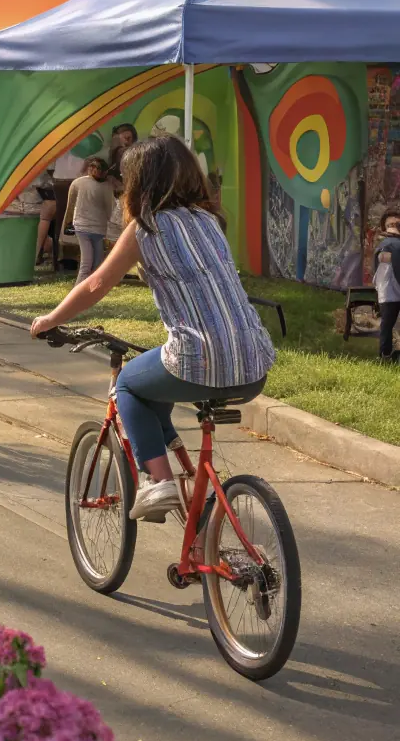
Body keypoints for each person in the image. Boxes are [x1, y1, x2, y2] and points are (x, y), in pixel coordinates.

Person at [30, 135, 275, 522]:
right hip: (255, 362)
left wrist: (49, 320)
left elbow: (94, 285)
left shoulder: (145, 227)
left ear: (139, 181)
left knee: (128, 383)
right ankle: (195, 500)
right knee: (154, 386)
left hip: (200, 358)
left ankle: (157, 482)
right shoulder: (210, 221)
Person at [60, 157, 116, 283]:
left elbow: (110, 208)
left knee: (96, 263)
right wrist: (68, 223)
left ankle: (88, 291)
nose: (95, 171)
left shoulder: (106, 186)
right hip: (84, 226)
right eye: (93, 167)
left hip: (95, 227)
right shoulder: (79, 183)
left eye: (99, 169)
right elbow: (71, 205)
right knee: (88, 263)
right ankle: (78, 292)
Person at [373, 207, 400, 362]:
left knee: (386, 325)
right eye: (390, 224)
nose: (393, 227)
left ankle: (386, 355)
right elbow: (383, 264)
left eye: (396, 224)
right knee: (387, 325)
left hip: (388, 291)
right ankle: (385, 355)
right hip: (389, 291)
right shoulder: (386, 245)